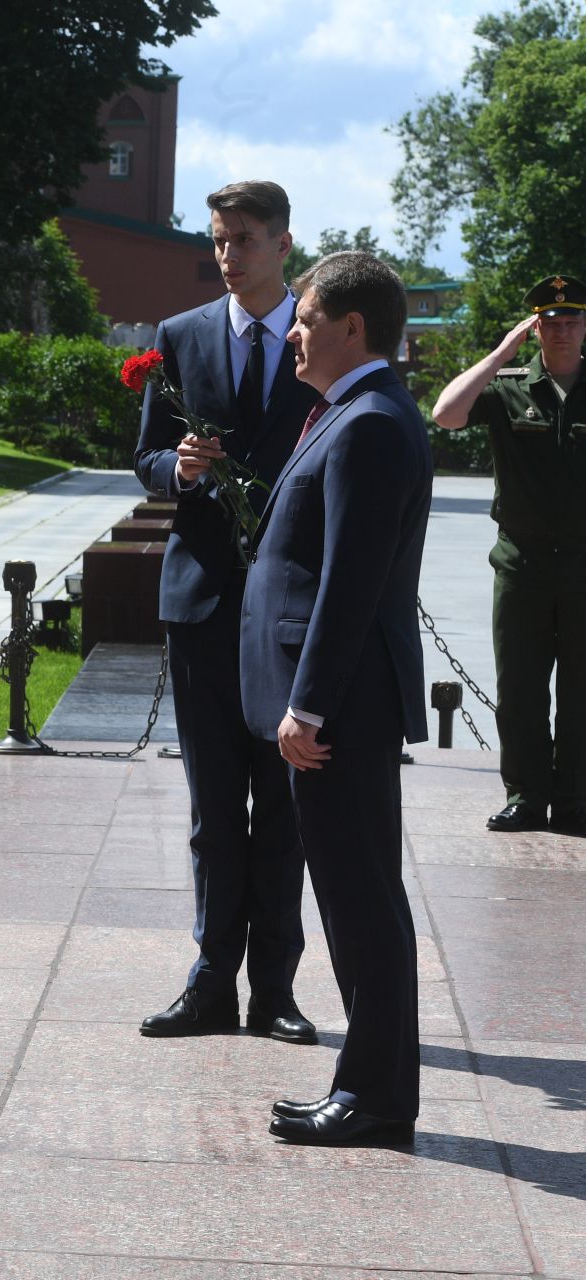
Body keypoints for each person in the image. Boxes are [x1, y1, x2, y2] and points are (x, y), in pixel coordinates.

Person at [240, 250, 431, 1145]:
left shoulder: (370, 423)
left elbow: (350, 583)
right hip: (338, 706)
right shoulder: (354, 411)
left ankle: (377, 1097)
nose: (295, 333)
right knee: (356, 898)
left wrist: (307, 708)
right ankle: (373, 1087)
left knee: (360, 903)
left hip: (342, 712)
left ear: (354, 327)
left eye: (307, 318)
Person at [132, 181, 320, 1045]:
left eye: (243, 239)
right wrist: (179, 469)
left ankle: (274, 989)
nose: (227, 254)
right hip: (203, 601)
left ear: (283, 243)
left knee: (282, 809)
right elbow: (143, 458)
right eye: (217, 239)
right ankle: (211, 980)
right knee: (214, 807)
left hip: (287, 611)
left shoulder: (324, 343)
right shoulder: (181, 336)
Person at [430, 275, 586, 834]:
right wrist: (500, 354)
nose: (561, 329)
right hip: (522, 565)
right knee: (519, 688)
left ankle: (573, 802)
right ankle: (525, 796)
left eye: (572, 319)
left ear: (585, 325)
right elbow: (445, 414)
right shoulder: (509, 387)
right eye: (550, 320)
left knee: (580, 693)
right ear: (535, 327)